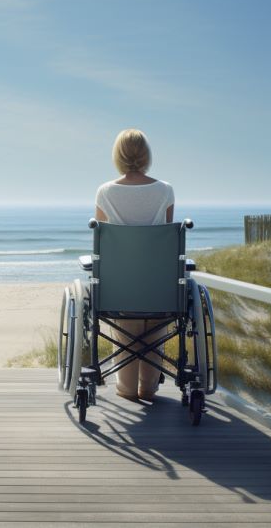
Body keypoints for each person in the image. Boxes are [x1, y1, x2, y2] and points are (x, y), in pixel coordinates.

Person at [94, 129, 175, 402]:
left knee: (124, 327)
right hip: (157, 287)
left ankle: (127, 389)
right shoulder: (165, 190)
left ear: (118, 155)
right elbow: (163, 238)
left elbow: (104, 242)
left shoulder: (105, 192)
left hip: (120, 288)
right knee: (156, 325)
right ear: (146, 155)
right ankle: (148, 388)